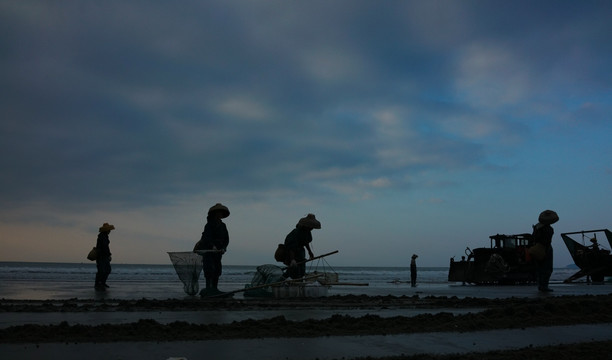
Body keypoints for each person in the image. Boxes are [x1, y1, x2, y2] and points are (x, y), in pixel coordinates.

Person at [194, 203, 230, 296]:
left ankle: (215, 288)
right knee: (209, 269)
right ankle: (208, 288)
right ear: (215, 213)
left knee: (217, 269)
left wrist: (223, 248)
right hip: (208, 251)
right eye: (219, 212)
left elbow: (226, 238)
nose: (220, 214)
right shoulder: (209, 225)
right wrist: (212, 246)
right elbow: (206, 237)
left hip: (218, 252)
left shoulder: (223, 225)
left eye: (221, 213)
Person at [283, 213, 321, 279]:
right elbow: (291, 247)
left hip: (301, 253)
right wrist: (292, 259)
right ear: (306, 226)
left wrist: (310, 252)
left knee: (301, 270)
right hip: (292, 253)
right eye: (310, 227)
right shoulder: (296, 232)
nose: (311, 228)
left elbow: (306, 242)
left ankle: (299, 283)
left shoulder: (307, 232)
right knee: (294, 270)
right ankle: (288, 282)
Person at [532, 209, 558, 293]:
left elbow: (534, 237)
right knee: (547, 268)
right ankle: (544, 286)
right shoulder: (548, 229)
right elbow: (546, 241)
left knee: (539, 268)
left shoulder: (537, 227)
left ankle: (541, 285)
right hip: (545, 248)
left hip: (536, 247)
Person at [95, 222, 115, 291]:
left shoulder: (103, 236)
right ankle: (99, 283)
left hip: (102, 256)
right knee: (104, 270)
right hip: (102, 256)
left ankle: (101, 283)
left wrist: (108, 254)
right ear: (106, 230)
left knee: (104, 270)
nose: (110, 231)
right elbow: (105, 247)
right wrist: (109, 255)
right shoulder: (102, 236)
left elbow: (105, 247)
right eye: (109, 230)